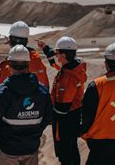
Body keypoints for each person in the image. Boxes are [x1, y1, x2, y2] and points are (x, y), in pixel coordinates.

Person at [0, 45, 53, 165]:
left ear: (9, 65)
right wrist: (36, 133)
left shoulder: (2, 92)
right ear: (28, 64)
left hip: (7, 149)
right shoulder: (42, 90)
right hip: (31, 147)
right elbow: (48, 116)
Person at [45, 36, 87, 165]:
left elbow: (62, 107)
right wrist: (47, 50)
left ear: (64, 54)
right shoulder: (73, 68)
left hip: (65, 120)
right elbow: (57, 66)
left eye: (57, 53)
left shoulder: (68, 77)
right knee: (71, 150)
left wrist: (49, 113)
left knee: (66, 154)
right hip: (72, 116)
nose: (56, 56)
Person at [0, 21, 53, 88]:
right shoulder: (37, 60)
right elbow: (45, 87)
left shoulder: (7, 65)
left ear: (11, 40)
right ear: (26, 41)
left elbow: (0, 90)